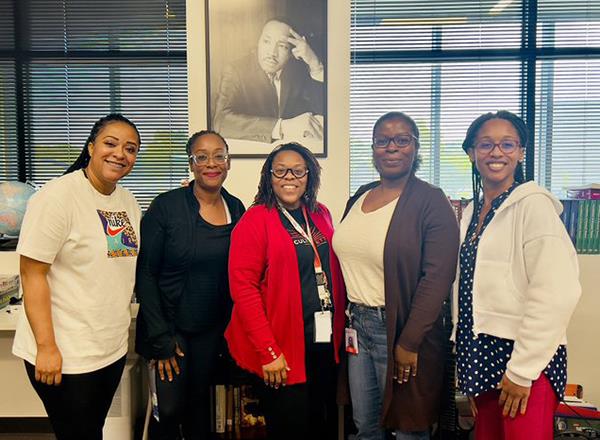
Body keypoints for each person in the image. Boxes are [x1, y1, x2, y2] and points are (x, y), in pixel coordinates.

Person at [12, 114, 142, 439]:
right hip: (66, 352)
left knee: (92, 430)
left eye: (130, 149)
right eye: (110, 144)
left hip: (109, 348)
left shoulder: (127, 201)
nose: (119, 154)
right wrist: (46, 347)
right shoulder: (57, 197)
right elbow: (31, 274)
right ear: (90, 147)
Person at [453, 111, 581, 439]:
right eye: (486, 144)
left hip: (525, 360)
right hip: (482, 355)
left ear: (521, 152)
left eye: (507, 144)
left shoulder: (533, 206)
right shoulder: (472, 211)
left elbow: (557, 292)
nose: (496, 152)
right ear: (471, 152)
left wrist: (522, 372)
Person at [332, 111, 459, 439]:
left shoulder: (431, 201)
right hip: (358, 327)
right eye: (383, 141)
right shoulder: (359, 196)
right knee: (365, 427)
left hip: (403, 331)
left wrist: (409, 340)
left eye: (402, 140)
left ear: (415, 148)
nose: (392, 147)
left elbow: (438, 278)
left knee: (408, 430)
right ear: (373, 149)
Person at [225, 142, 345, 439]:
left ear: (309, 176)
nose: (289, 177)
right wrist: (268, 351)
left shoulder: (321, 214)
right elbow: (244, 289)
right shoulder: (255, 220)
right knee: (290, 427)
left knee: (322, 423)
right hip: (281, 345)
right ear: (269, 176)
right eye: (280, 170)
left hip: (322, 343)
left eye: (298, 170)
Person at [135, 130, 245, 439]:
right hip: (170, 330)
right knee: (168, 411)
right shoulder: (166, 207)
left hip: (211, 331)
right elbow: (146, 274)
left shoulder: (236, 208)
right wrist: (161, 339)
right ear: (192, 163)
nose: (212, 163)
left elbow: (241, 270)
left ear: (228, 161)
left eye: (219, 155)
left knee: (200, 407)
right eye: (202, 156)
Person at [213, 18, 325, 143]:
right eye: (267, 41)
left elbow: (324, 112)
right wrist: (282, 127)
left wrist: (315, 65)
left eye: (282, 46)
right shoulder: (235, 71)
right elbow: (220, 122)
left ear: (291, 53)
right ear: (258, 42)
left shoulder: (297, 70)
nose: (272, 53)